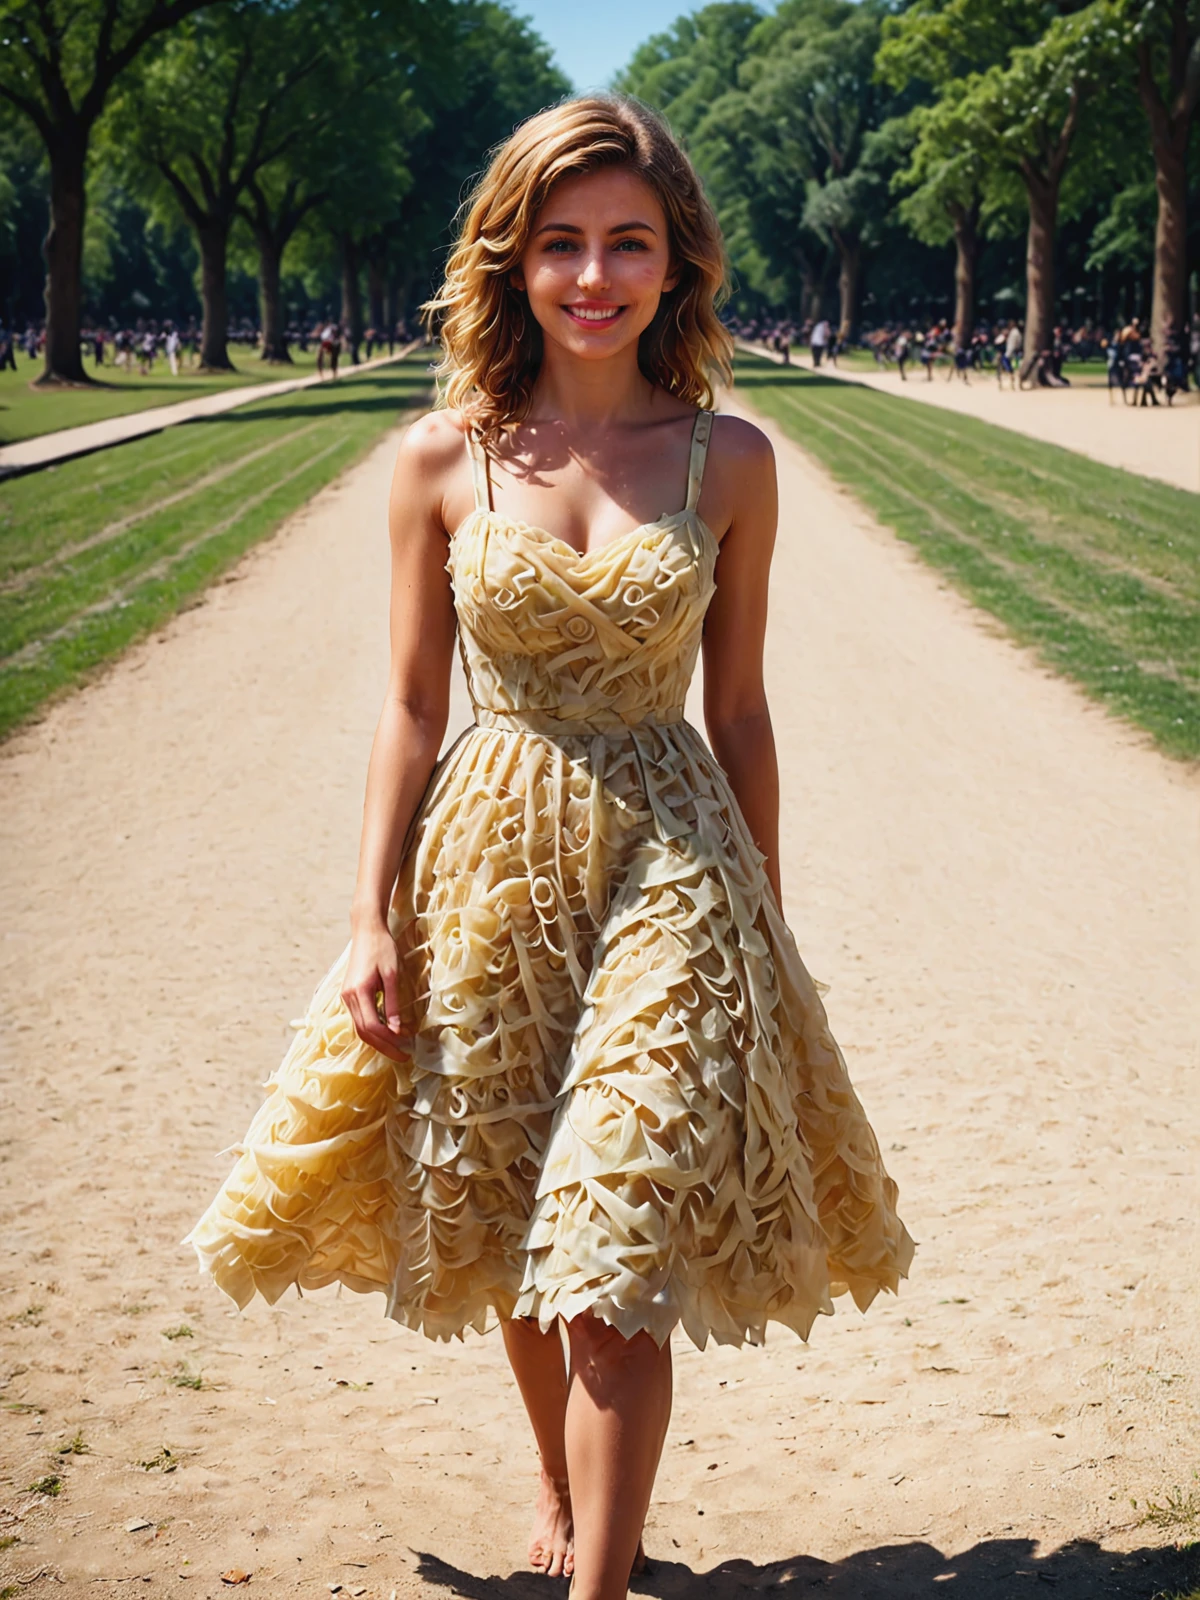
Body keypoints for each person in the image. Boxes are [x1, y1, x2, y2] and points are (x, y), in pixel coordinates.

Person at [183, 96, 913, 1600]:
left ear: (676, 262)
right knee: (519, 1204)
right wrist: (369, 914)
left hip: (675, 856)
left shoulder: (735, 460)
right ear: (514, 260)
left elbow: (746, 705)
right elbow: (404, 704)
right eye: (563, 243)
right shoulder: (439, 462)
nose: (596, 274)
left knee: (619, 1231)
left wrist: (764, 913)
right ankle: (559, 1484)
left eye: (628, 242)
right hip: (490, 856)